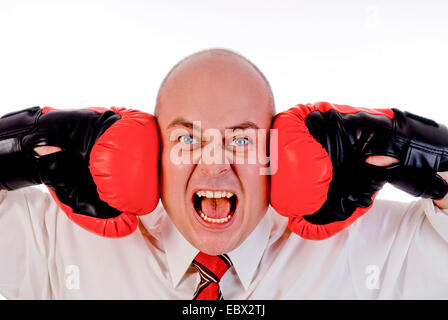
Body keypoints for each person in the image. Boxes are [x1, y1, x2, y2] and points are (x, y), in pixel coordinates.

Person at [0, 48, 447, 299]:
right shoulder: (59, 241)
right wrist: (22, 141)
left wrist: (411, 146)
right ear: (150, 154)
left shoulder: (362, 245)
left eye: (242, 140)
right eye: (187, 140)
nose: (215, 163)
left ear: (278, 153)